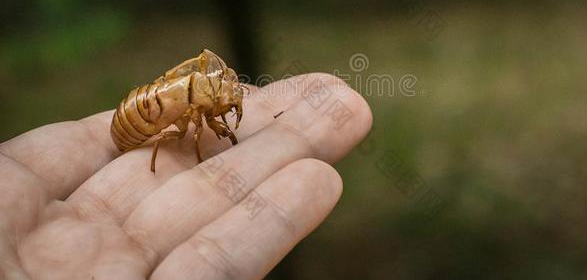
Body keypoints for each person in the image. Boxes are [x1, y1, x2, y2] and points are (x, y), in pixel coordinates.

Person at [0, 73, 372, 279]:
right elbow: (194, 131)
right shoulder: (194, 110)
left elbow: (206, 122)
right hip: (133, 125)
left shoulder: (198, 101)